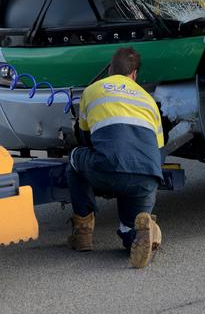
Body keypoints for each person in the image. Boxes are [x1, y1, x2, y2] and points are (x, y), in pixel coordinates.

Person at [67, 47, 165, 269]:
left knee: (75, 158)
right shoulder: (148, 100)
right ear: (134, 74)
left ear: (110, 70)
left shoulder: (92, 91)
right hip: (147, 175)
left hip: (108, 167)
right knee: (128, 230)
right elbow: (158, 147)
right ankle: (145, 233)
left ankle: (83, 232)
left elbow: (83, 136)